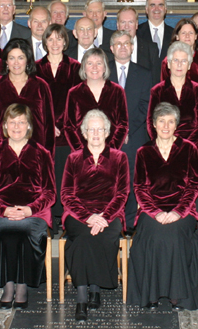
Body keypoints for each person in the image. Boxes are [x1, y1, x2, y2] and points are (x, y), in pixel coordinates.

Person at [128, 103, 198, 311]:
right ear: (153, 124)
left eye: (170, 121)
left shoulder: (189, 149)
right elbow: (139, 187)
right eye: (161, 120)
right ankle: (151, 294)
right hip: (150, 210)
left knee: (173, 235)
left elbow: (194, 185)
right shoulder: (143, 152)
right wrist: (155, 212)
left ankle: (176, 295)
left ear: (176, 124)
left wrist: (177, 212)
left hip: (183, 210)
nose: (165, 125)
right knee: (153, 235)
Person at [0, 104, 55, 310]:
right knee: (2, 231)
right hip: (1, 211)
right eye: (12, 122)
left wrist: (29, 210)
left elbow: (50, 192)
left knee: (25, 232)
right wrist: (4, 210)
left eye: (21, 122)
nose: (17, 126)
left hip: (34, 212)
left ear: (29, 126)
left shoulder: (42, 153)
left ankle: (22, 286)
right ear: (5, 126)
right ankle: (7, 286)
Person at [61, 110, 130, 322]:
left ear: (107, 132)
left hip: (111, 213)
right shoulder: (73, 159)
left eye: (100, 128)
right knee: (82, 238)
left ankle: (95, 288)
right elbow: (66, 194)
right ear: (84, 133)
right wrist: (88, 216)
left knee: (102, 236)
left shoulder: (120, 157)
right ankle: (83, 296)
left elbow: (122, 193)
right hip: (78, 214)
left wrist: (105, 216)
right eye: (91, 129)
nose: (96, 133)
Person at [35, 24, 82, 225]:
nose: (55, 43)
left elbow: (79, 100)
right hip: (42, 132)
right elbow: (33, 100)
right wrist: (46, 124)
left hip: (68, 132)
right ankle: (48, 219)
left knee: (65, 175)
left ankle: (65, 218)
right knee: (45, 176)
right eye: (50, 39)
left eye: (59, 39)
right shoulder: (35, 67)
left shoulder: (76, 67)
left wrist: (62, 125)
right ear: (45, 42)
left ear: (65, 42)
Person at [108, 30, 152, 230]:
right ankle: (113, 221)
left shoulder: (144, 73)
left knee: (134, 181)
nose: (123, 47)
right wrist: (117, 131)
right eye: (118, 43)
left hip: (135, 136)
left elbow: (145, 106)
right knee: (112, 181)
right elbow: (101, 106)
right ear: (111, 48)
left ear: (132, 47)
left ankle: (131, 224)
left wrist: (127, 129)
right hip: (108, 138)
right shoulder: (103, 70)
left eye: (127, 43)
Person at [0, 39, 55, 153]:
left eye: (20, 58)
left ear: (27, 60)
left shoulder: (41, 86)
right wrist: (1, 147)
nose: (16, 63)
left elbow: (49, 125)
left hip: (36, 152)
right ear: (6, 61)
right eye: (11, 58)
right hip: (5, 152)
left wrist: (47, 157)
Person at [148, 41, 198, 162]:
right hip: (165, 148)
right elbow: (150, 122)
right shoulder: (157, 91)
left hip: (193, 148)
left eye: (184, 61)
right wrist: (165, 144)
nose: (179, 65)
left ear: (189, 65)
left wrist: (185, 146)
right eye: (175, 60)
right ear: (169, 64)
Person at [64, 47, 129, 151]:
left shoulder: (117, 91)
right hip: (82, 155)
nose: (94, 67)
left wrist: (110, 151)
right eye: (90, 63)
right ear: (84, 68)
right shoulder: (74, 93)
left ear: (105, 67)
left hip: (111, 154)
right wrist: (82, 152)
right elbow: (69, 127)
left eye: (99, 63)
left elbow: (122, 125)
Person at [160, 19, 198, 121]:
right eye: (183, 33)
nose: (187, 36)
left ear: (196, 36)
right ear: (177, 36)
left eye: (191, 33)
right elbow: (164, 92)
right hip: (173, 119)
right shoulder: (167, 61)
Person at [116, 6, 159, 79]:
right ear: (117, 25)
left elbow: (155, 79)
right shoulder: (107, 48)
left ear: (136, 25)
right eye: (123, 22)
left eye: (130, 22)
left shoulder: (151, 49)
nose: (127, 27)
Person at [136, 0, 174, 68]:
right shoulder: (137, 32)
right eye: (152, 5)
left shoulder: (174, 34)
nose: (157, 9)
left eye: (160, 5)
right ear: (147, 9)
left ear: (165, 9)